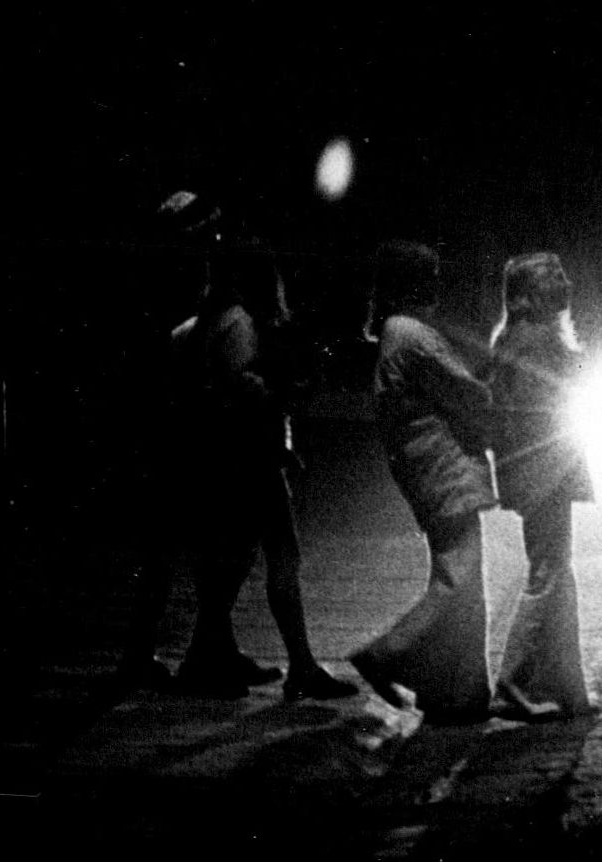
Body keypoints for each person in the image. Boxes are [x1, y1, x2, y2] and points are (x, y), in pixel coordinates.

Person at [155, 193, 361, 702]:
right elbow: (245, 392)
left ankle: (212, 655)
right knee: (276, 556)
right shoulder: (241, 324)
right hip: (248, 460)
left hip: (217, 460)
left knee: (230, 562)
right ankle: (299, 665)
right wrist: (285, 395)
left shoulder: (196, 326)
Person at [349, 240, 498, 725]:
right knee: (458, 580)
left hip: (426, 467)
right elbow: (468, 393)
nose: (437, 284)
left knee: (462, 583)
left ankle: (457, 694)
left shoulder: (395, 332)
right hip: (444, 467)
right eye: (430, 275)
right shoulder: (414, 334)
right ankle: (385, 654)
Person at [487, 252, 596, 721]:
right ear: (526, 296)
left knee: (556, 573)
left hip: (541, 470)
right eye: (552, 276)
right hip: (544, 470)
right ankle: (511, 684)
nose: (564, 281)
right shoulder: (535, 341)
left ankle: (567, 688)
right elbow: (536, 417)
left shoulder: (525, 337)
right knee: (548, 574)